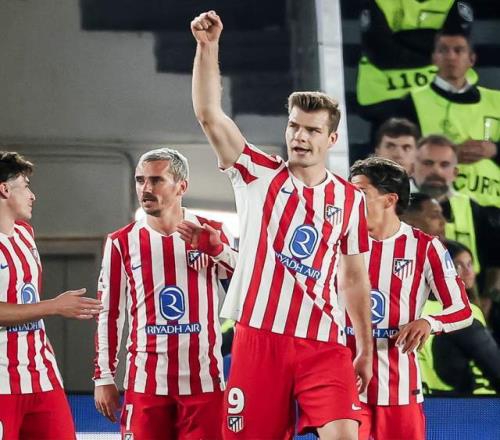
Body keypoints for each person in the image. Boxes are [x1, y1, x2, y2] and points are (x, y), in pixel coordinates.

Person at [191, 10, 373, 440]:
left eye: (312, 130)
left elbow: (353, 276)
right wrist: (207, 46)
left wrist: (364, 346)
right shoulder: (257, 173)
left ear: (331, 139)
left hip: (324, 342)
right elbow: (209, 114)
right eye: (294, 126)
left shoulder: (349, 199)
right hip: (259, 337)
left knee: (346, 436)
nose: (300, 137)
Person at [93, 148, 237, 439]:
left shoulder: (212, 231)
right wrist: (104, 376)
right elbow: (109, 313)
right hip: (146, 385)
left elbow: (250, 284)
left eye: (156, 180)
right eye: (140, 180)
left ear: (181, 186)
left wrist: (218, 250)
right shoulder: (121, 242)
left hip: (204, 383)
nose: (145, 188)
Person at [347, 157, 472, 440]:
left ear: (389, 200)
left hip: (399, 386)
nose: (350, 200)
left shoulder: (426, 248)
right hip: (347, 383)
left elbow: (462, 309)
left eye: (360, 192)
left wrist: (429, 322)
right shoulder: (339, 242)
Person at [0, 151, 102, 439]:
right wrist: (54, 306)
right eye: (25, 186)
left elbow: (27, 301)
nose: (33, 195)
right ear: (4, 189)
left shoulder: (25, 234)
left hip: (43, 376)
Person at [373, 29, 500, 207]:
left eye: (458, 50)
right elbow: (400, 154)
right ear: (434, 58)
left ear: (471, 59)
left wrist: (494, 149)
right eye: (443, 50)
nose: (451, 56)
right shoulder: (412, 102)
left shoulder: (496, 101)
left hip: (493, 203)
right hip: (435, 203)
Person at [413, 135, 500, 307]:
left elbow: (495, 259)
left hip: (468, 305)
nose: (436, 171)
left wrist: (488, 300)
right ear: (412, 167)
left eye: (444, 165)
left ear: (455, 173)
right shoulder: (395, 206)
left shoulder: (474, 210)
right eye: (428, 163)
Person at [419, 240, 500, 395]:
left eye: (469, 264)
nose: (468, 272)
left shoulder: (415, 307)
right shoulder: (462, 312)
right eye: (458, 266)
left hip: (431, 396)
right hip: (468, 398)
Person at [373, 117, 420, 187]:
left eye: (406, 148)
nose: (398, 154)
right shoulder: (359, 191)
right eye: (390, 146)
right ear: (377, 152)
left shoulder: (428, 192)